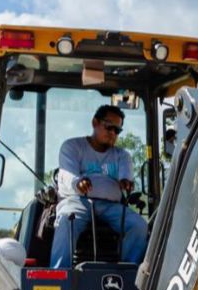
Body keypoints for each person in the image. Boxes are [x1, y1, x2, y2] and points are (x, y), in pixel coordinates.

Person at [51, 105, 148, 268]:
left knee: (139, 225)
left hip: (112, 207)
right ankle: (59, 276)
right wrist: (77, 182)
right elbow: (68, 174)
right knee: (67, 220)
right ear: (95, 122)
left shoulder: (122, 155)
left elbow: (125, 175)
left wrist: (125, 182)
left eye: (117, 130)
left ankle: (128, 272)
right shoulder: (72, 147)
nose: (112, 133)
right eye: (109, 126)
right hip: (77, 202)